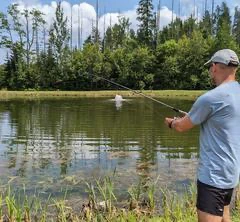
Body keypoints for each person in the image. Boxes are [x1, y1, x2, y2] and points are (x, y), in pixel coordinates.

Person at [164, 49, 240, 222]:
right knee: (224, 217)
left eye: (210, 68)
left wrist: (172, 122)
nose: (209, 72)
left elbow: (182, 127)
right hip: (231, 174)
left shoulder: (211, 98)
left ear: (214, 67)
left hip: (214, 177)